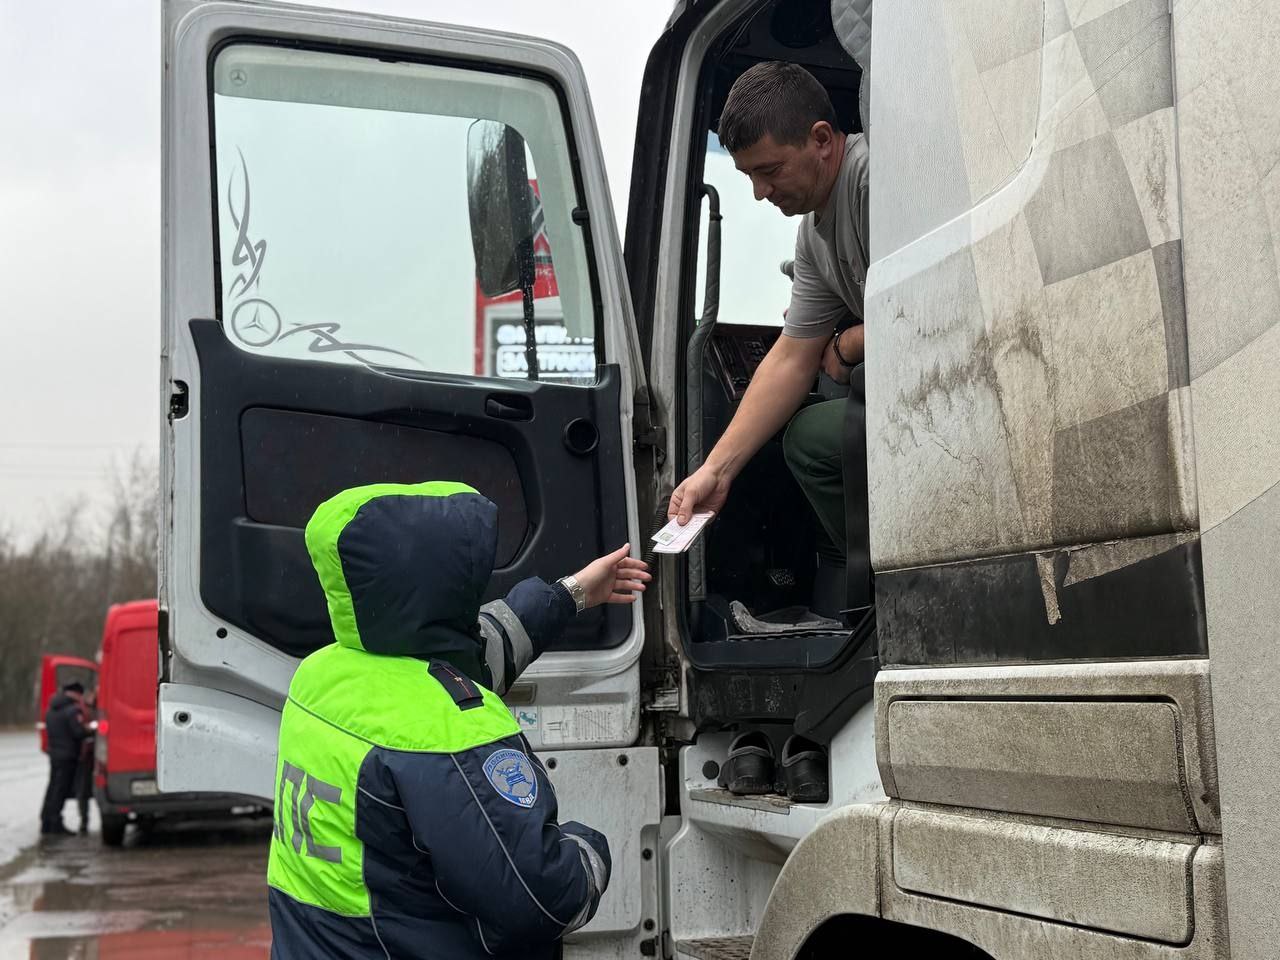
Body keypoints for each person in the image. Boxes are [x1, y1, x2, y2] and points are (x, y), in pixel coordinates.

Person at [268, 480, 651, 960]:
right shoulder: (446, 730)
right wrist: (585, 845)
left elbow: (473, 650)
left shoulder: (322, 675)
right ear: (448, 586)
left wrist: (571, 593)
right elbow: (540, 900)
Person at [670, 61, 870, 590]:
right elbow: (791, 357)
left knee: (809, 440)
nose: (760, 192)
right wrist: (715, 471)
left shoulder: (872, 182)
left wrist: (849, 344)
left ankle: (886, 579)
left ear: (821, 140)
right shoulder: (813, 234)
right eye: (749, 177)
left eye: (770, 170)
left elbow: (931, 309)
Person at [40, 681, 89, 836]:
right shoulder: (72, 710)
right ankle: (56, 824)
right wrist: (89, 730)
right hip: (68, 756)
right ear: (76, 693)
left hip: (55, 754)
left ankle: (46, 822)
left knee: (52, 788)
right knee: (60, 790)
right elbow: (78, 732)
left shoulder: (51, 709)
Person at [74, 689, 98, 835]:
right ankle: (84, 821)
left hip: (96, 756)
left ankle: (85, 821)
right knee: (83, 791)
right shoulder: (82, 710)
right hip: (87, 757)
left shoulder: (95, 709)